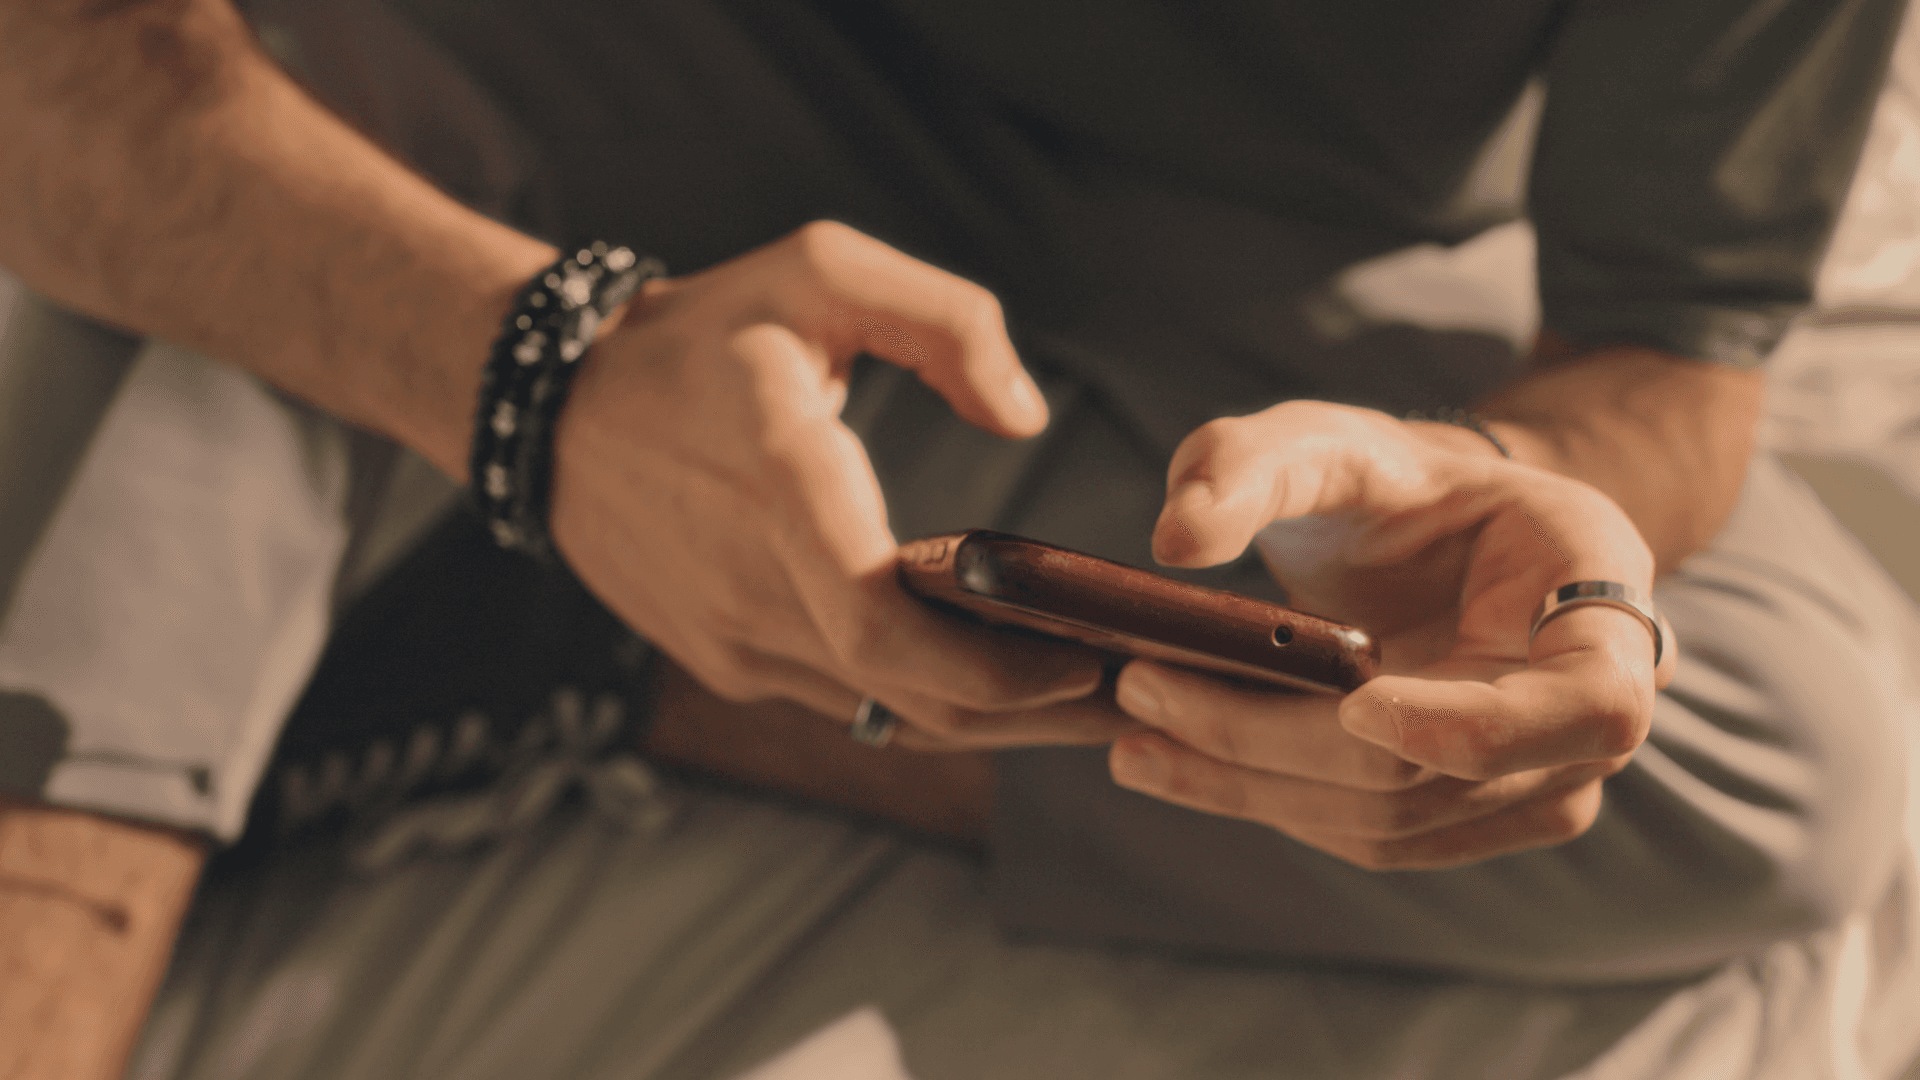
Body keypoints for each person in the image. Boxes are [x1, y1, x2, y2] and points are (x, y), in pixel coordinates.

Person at [1, 0, 1917, 1077]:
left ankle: (579, 636)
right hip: (559, 60)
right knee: (212, 221)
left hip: (1239, 265)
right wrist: (535, 377)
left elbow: (1670, 345)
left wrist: (1498, 486)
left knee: (1768, 751)